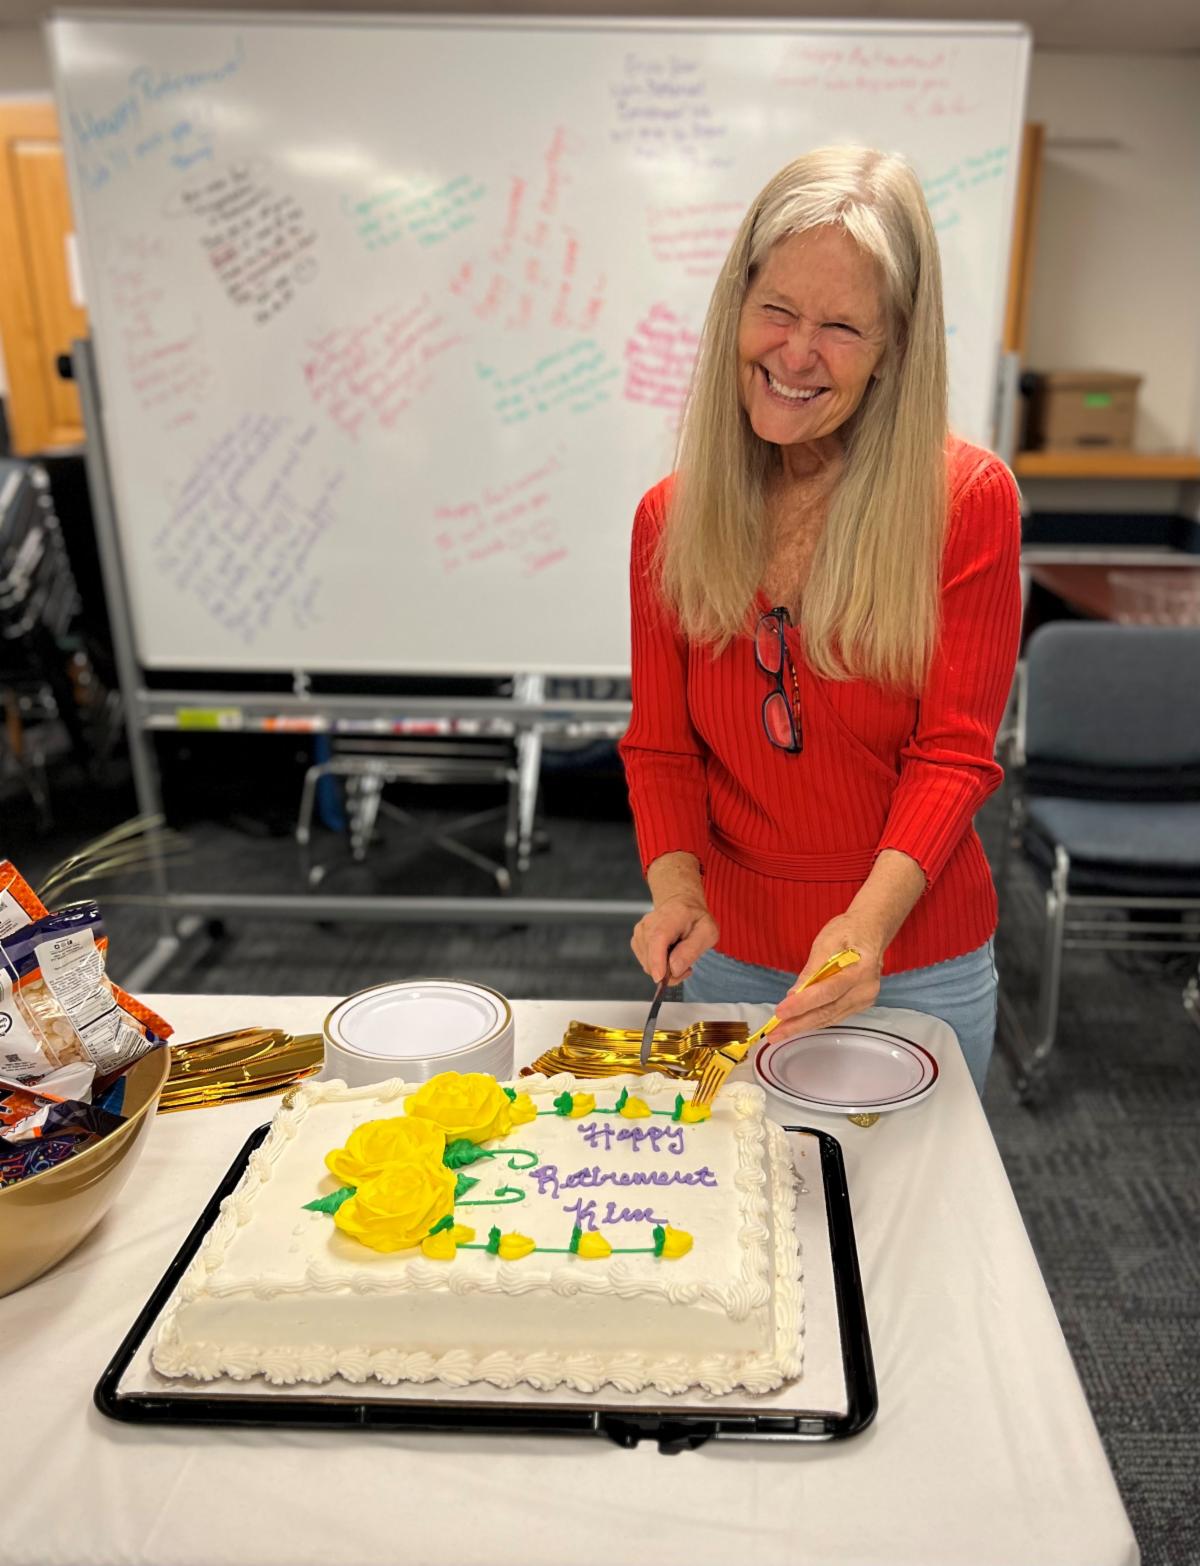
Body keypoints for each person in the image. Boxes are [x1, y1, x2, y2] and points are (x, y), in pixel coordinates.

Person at [619, 145, 1022, 1095]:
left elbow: (953, 754)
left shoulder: (967, 499)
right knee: (741, 1226)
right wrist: (677, 893)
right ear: (736, 309)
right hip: (733, 959)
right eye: (778, 312)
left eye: (843, 326)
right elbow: (662, 751)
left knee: (908, 1234)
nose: (797, 355)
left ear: (894, 348)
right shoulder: (668, 519)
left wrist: (866, 927)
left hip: (918, 958)